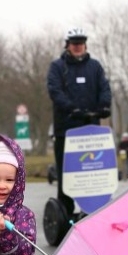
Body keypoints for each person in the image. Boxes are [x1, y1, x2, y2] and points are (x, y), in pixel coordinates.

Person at [47, 27, 112, 217]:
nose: (78, 47)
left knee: (93, 172)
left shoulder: (95, 67)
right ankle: (64, 213)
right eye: (74, 43)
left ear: (85, 45)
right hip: (66, 130)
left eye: (81, 43)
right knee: (67, 174)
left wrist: (104, 105)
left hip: (91, 131)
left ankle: (93, 212)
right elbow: (55, 91)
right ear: (68, 45)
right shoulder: (58, 67)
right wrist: (71, 108)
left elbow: (104, 88)